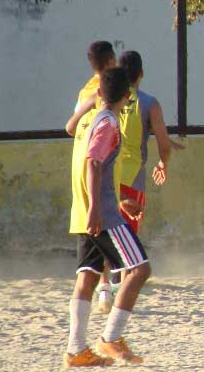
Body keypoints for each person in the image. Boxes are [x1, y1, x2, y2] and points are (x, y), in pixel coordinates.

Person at [67, 51, 181, 312]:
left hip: (95, 190)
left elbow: (71, 129)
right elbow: (161, 143)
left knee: (95, 260)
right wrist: (164, 161)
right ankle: (114, 321)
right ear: (140, 75)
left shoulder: (92, 102)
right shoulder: (145, 104)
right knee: (134, 263)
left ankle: (105, 291)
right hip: (126, 179)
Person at [63, 67, 151, 367]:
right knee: (139, 270)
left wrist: (117, 199)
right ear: (129, 96)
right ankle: (110, 338)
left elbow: (75, 138)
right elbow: (94, 163)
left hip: (86, 208)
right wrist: (98, 209)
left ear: (99, 93)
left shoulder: (91, 119)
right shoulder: (110, 122)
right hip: (101, 215)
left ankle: (76, 351)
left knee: (87, 277)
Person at [67, 41, 116, 313]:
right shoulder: (111, 91)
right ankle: (107, 288)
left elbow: (71, 128)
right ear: (111, 60)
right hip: (99, 172)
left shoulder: (85, 91)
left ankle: (105, 288)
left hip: (81, 174)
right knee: (104, 229)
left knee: (91, 248)